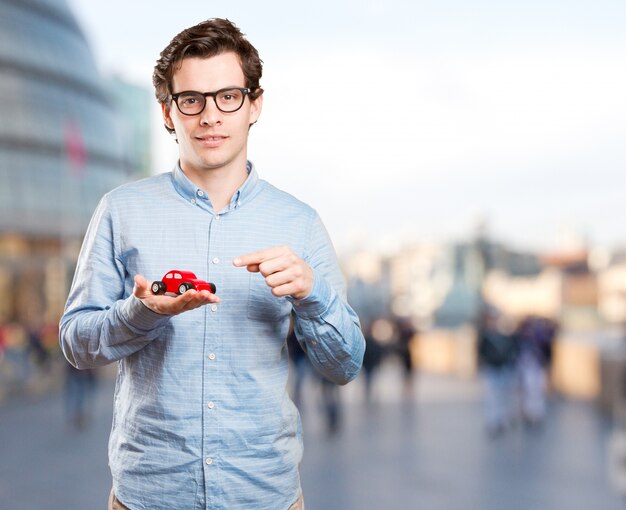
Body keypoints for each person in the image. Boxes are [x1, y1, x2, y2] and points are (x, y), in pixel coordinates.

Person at [59, 18, 365, 510]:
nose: (209, 116)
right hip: (148, 494)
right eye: (191, 100)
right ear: (167, 112)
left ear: (254, 104)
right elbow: (76, 344)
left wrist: (313, 295)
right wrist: (143, 314)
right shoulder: (121, 209)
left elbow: (346, 365)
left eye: (228, 96)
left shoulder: (301, 223)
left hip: (265, 494)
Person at [477, 306, 519, 437]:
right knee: (492, 396)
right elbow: (481, 352)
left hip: (504, 368)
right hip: (492, 368)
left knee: (503, 395)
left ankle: (501, 419)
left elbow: (512, 350)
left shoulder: (504, 335)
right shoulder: (485, 335)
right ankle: (492, 421)